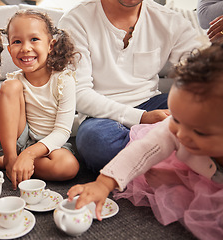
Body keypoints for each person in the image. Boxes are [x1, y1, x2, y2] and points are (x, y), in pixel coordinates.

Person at [67, 43, 223, 240]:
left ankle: (187, 181)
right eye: (175, 118)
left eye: (199, 131)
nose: (181, 135)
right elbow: (142, 149)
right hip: (201, 166)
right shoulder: (174, 130)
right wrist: (103, 184)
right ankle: (186, 178)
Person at [58, 0, 202, 173]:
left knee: (207, 113)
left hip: (152, 102)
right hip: (100, 117)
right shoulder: (76, 20)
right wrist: (142, 118)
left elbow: (202, 70)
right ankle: (173, 156)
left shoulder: (170, 20)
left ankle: (143, 162)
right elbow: (78, 93)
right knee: (96, 144)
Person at [0, 9, 80, 190]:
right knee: (10, 86)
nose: (25, 48)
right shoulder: (15, 81)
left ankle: (4, 163)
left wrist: (29, 155)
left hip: (50, 146)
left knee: (68, 167)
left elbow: (62, 131)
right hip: (19, 140)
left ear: (51, 45)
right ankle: (11, 160)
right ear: (10, 49)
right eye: (17, 41)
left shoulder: (64, 80)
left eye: (34, 39)